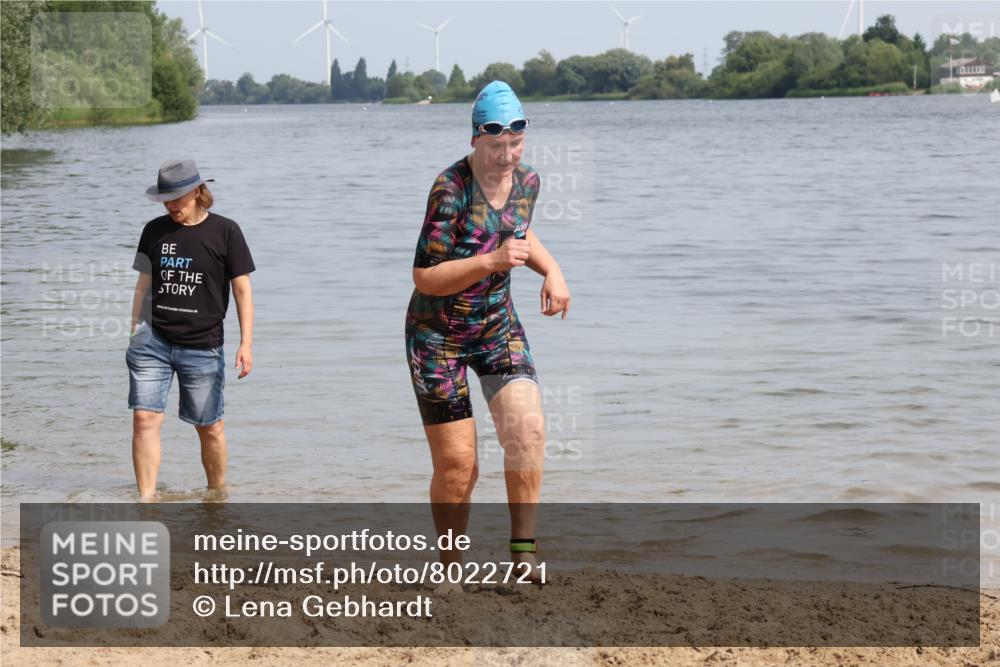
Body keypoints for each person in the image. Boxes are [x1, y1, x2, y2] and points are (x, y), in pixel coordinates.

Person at [405, 81, 571, 591]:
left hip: (497, 326)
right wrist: (492, 262)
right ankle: (450, 571)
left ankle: (522, 558)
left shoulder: (528, 181)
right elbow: (424, 277)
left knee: (528, 433)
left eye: (515, 144)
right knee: (459, 464)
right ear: (476, 138)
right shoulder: (450, 189)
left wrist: (553, 270)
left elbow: (520, 230)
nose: (506, 155)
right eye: (496, 145)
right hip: (438, 339)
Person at [127, 159, 255, 501]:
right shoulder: (154, 230)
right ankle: (147, 501)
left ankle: (217, 496)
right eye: (165, 199)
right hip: (151, 340)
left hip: (202, 344)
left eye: (177, 198)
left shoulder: (226, 231)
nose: (170, 206)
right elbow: (143, 283)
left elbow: (242, 290)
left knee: (210, 427)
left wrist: (246, 343)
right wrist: (133, 329)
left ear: (197, 192)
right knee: (144, 420)